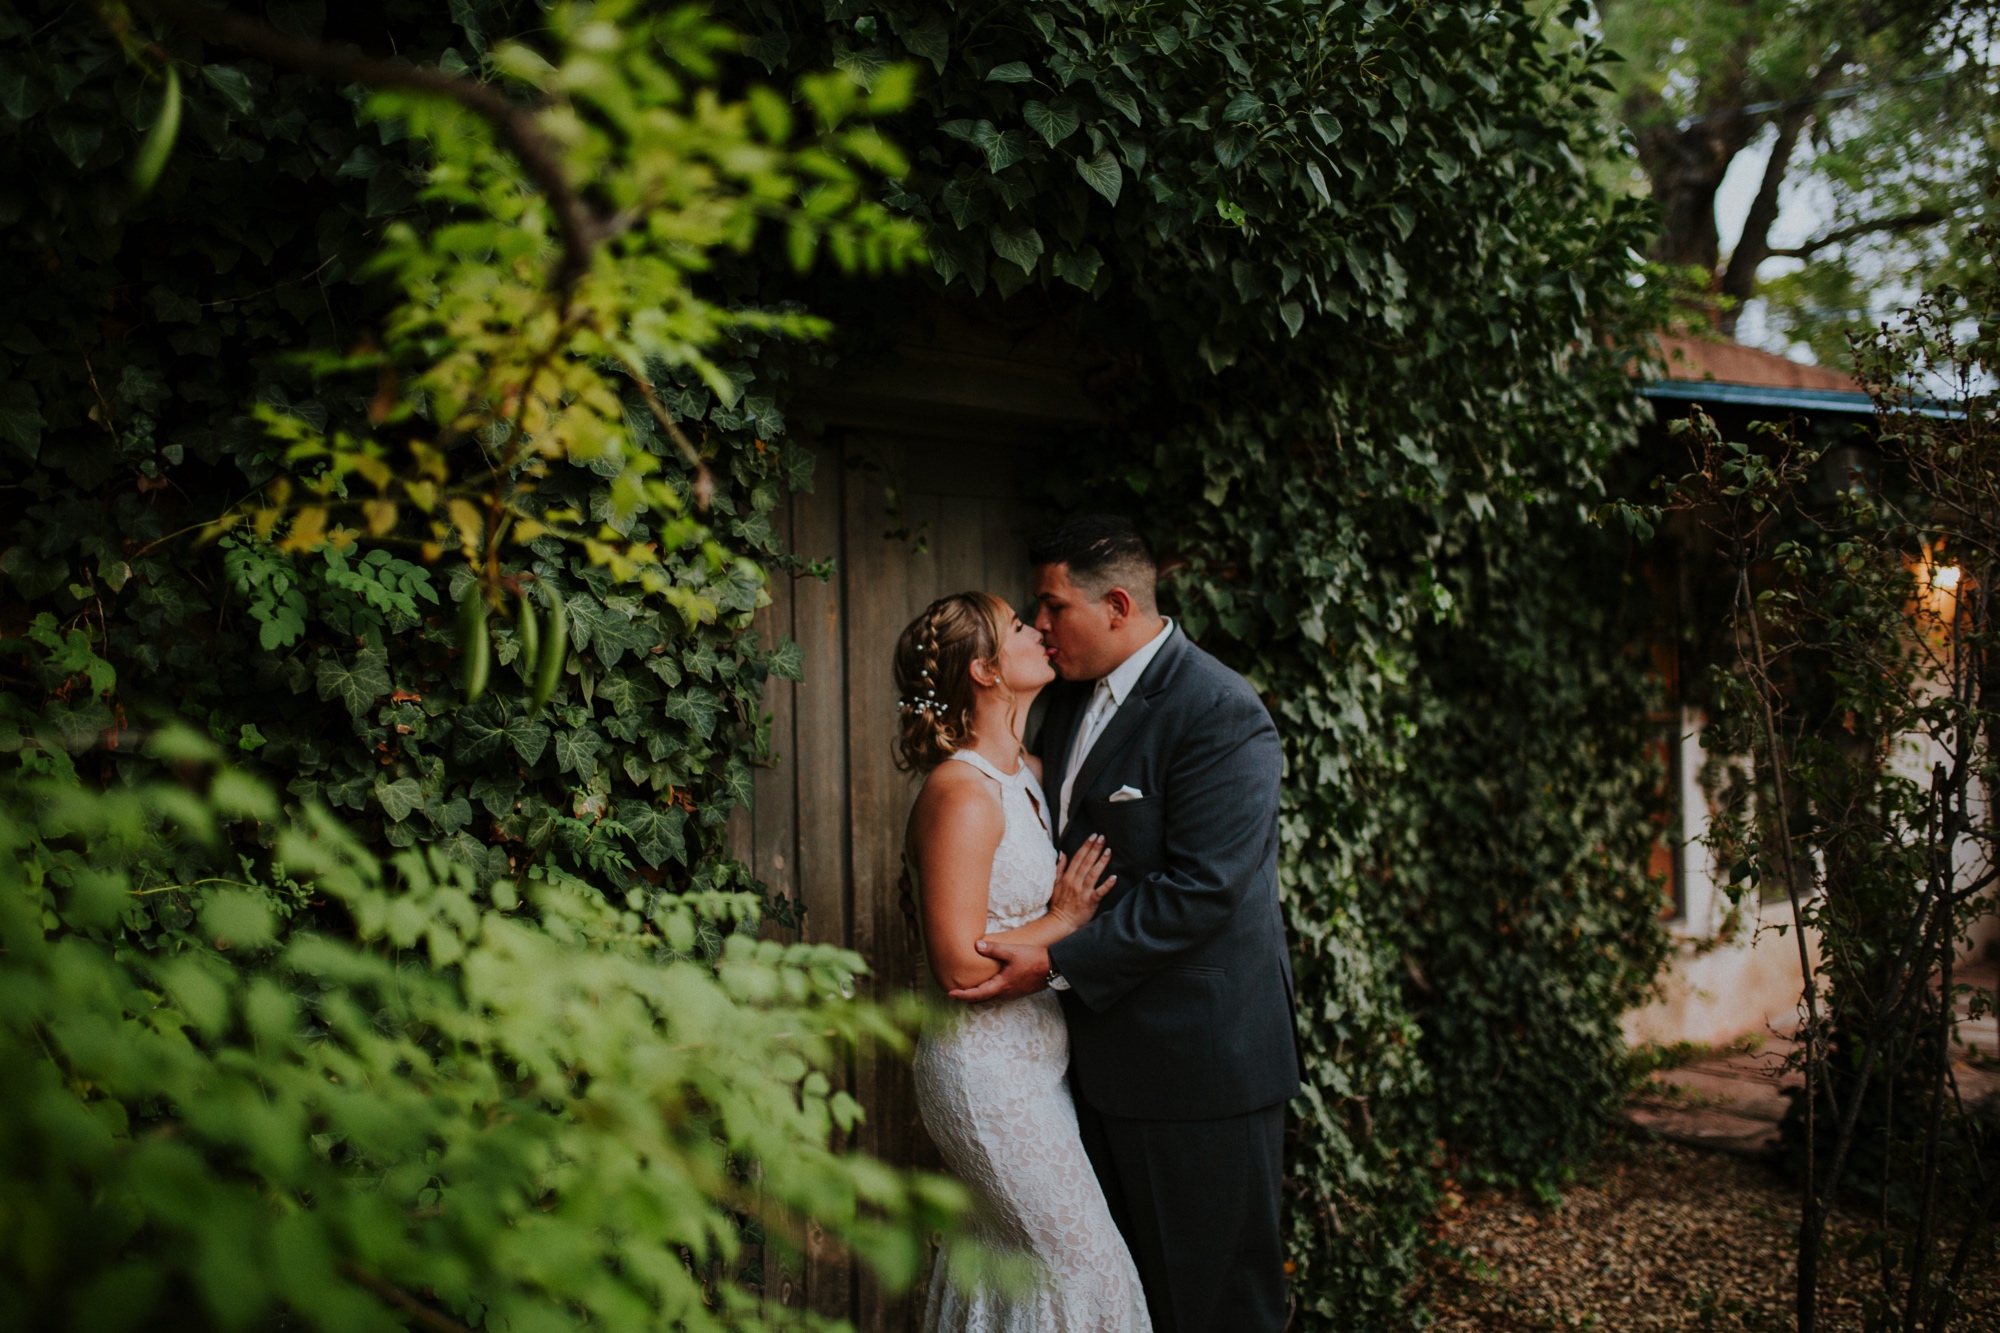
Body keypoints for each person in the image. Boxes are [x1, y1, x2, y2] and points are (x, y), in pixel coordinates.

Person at [948, 515, 1302, 1333]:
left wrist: (1056, 959)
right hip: (1093, 1068)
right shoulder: (1065, 704)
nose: (1040, 625)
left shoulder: (1221, 711)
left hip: (1201, 1066)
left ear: (1114, 604)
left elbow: (1203, 889)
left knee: (1216, 1307)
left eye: (1052, 605)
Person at [896, 591, 1153, 1332]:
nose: (1039, 631)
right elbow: (959, 967)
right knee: (1086, 1273)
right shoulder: (961, 793)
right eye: (1017, 627)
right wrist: (1063, 921)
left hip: (1039, 1070)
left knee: (1009, 1275)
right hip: (985, 1078)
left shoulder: (1031, 776)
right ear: (983, 670)